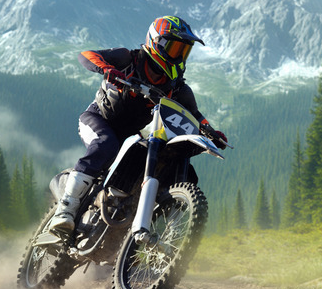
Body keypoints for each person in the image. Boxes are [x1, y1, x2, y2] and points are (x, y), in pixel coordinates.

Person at [48, 15, 227, 235]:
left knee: (152, 163)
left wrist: (210, 131)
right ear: (156, 43)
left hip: (129, 136)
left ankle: (139, 230)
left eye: (184, 51)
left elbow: (195, 115)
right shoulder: (128, 59)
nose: (179, 56)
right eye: (174, 48)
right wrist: (106, 69)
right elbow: (86, 55)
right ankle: (65, 209)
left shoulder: (177, 88)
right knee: (105, 144)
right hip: (98, 119)